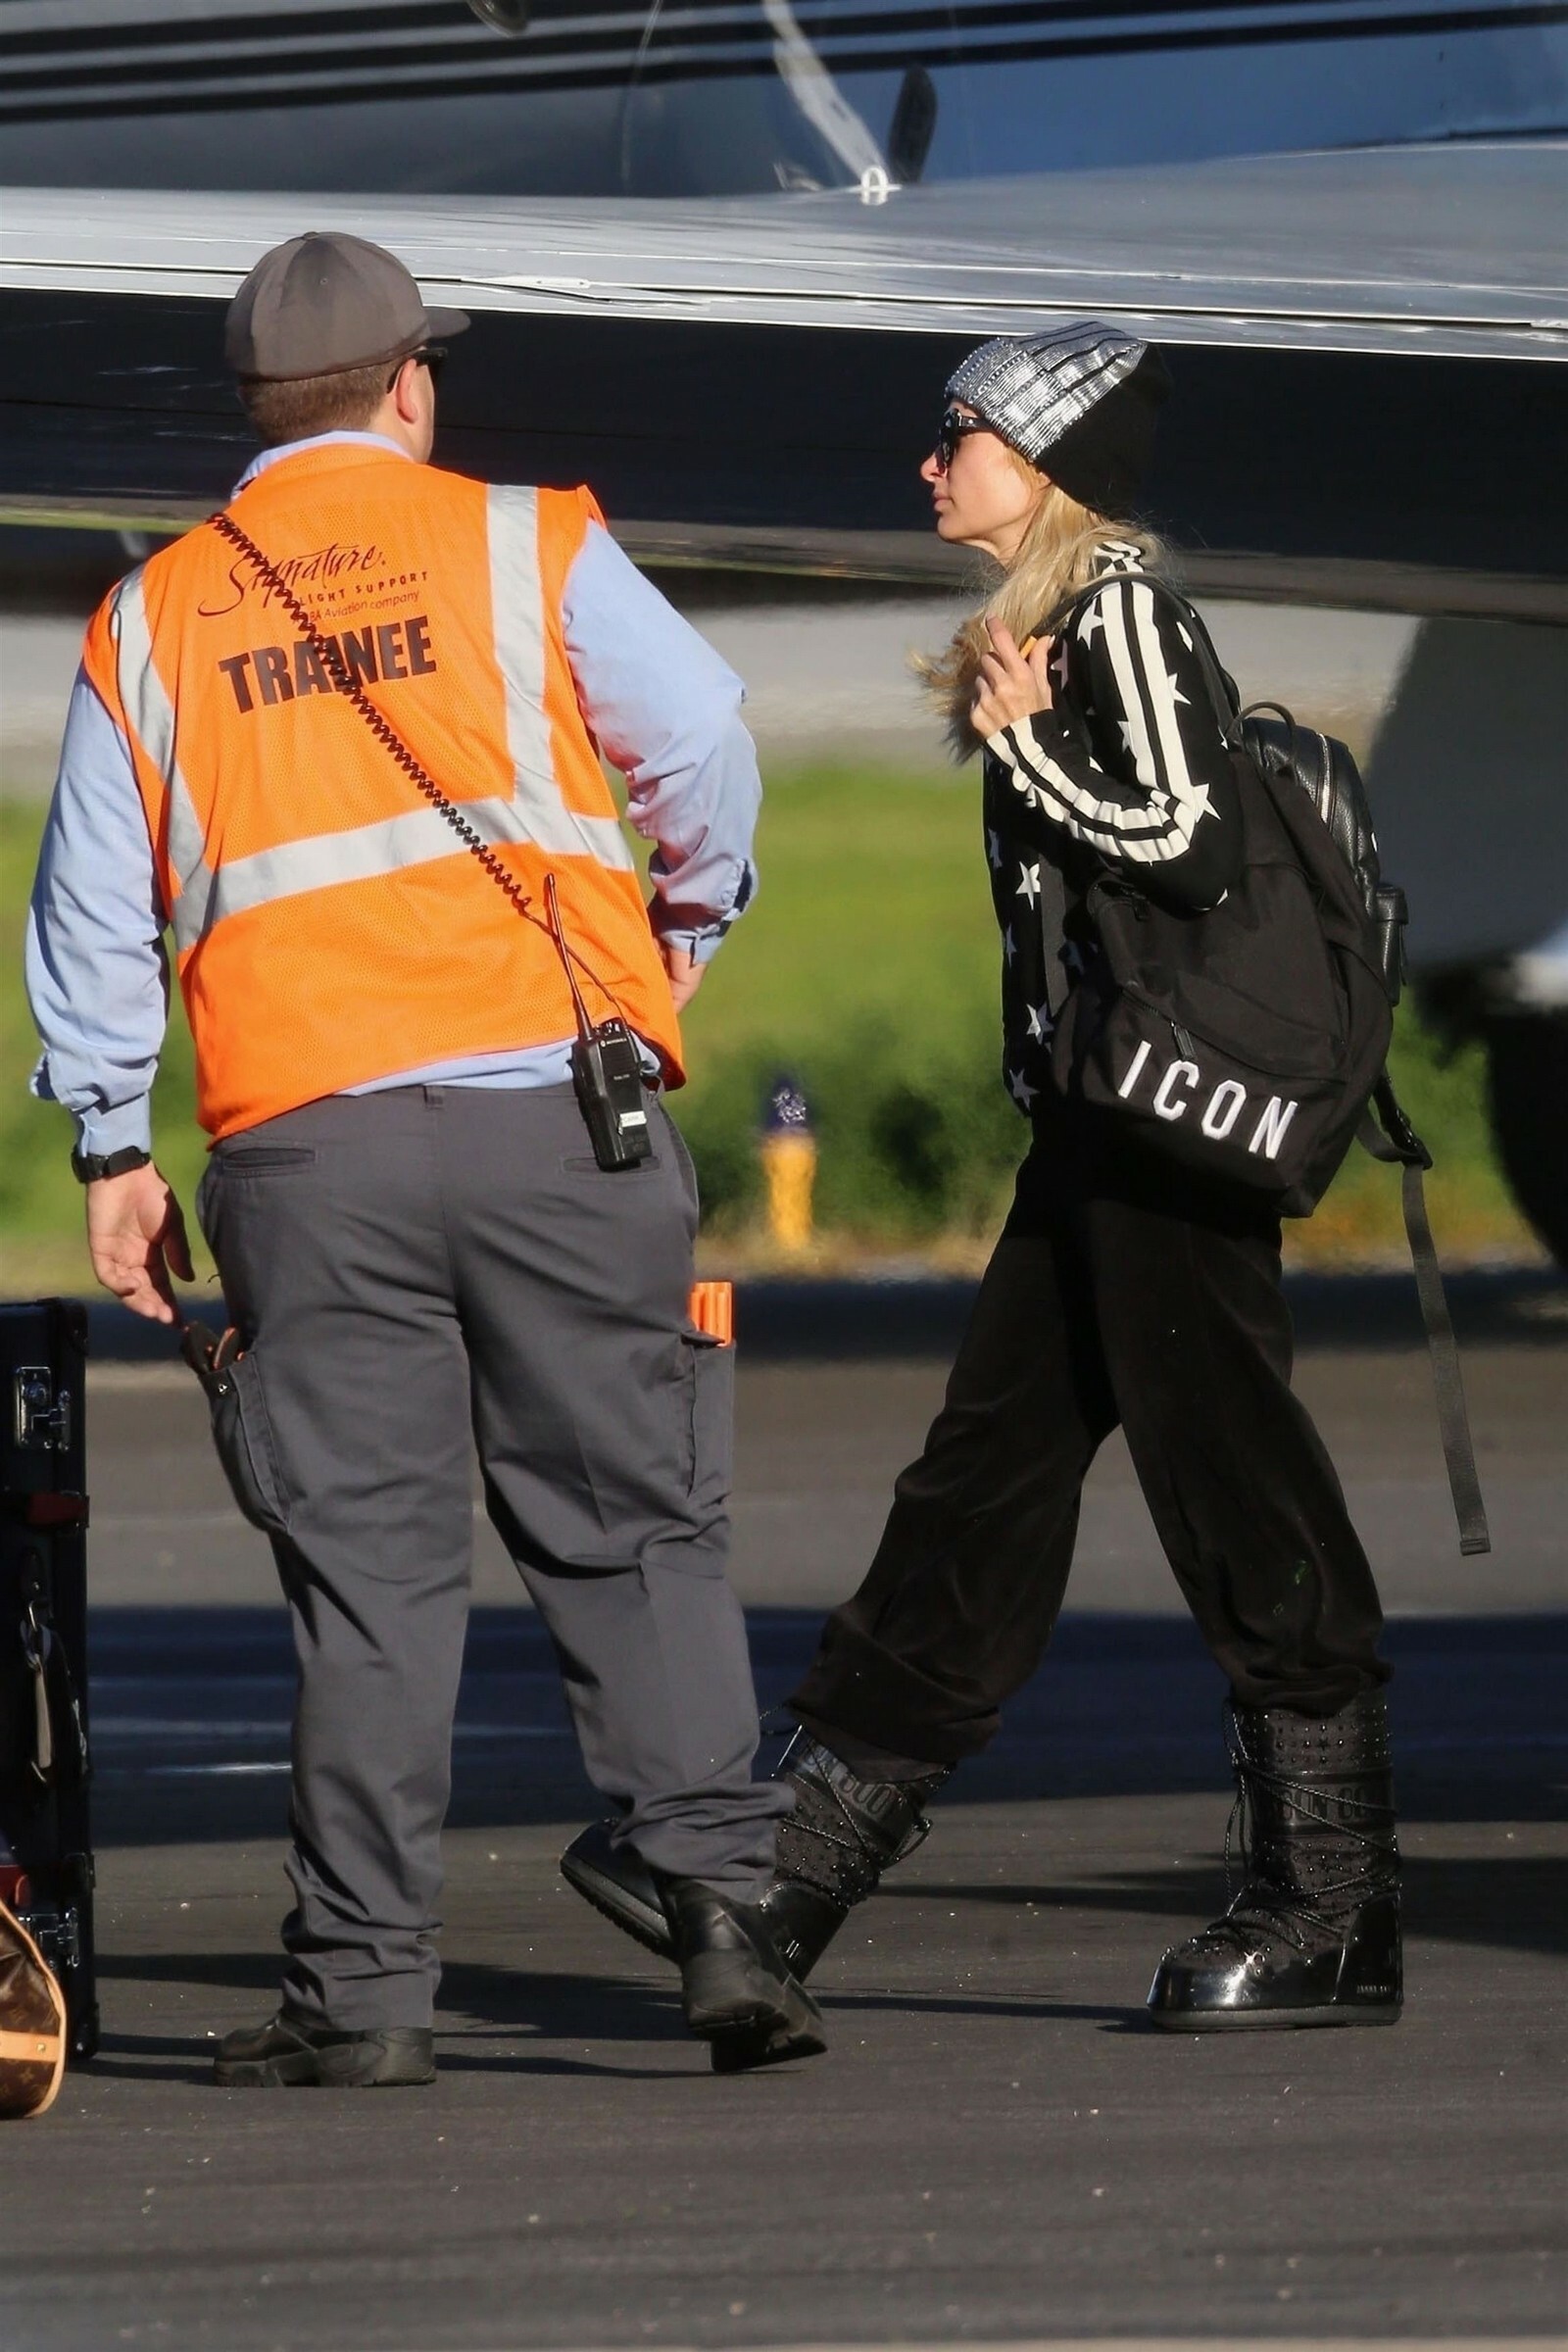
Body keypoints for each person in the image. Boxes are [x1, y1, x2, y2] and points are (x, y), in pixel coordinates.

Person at [25, 230, 824, 2084]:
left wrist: (109, 1145)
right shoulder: (522, 539)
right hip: (562, 1122)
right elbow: (702, 743)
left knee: (368, 1581)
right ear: (410, 385)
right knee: (634, 1525)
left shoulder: (151, 618)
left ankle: (366, 1996)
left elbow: (90, 908)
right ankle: (723, 1918)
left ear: (253, 407)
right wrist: (683, 929)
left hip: (308, 1152)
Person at [562, 321, 1402, 2033]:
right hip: (1098, 1133)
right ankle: (787, 1876)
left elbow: (1188, 842)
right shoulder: (1051, 627)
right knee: (980, 1492)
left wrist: (1029, 752)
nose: (931, 462)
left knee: (1236, 1488)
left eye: (961, 433)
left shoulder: (1124, 614)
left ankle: (1331, 1905)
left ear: (1048, 463)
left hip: (1167, 1140)